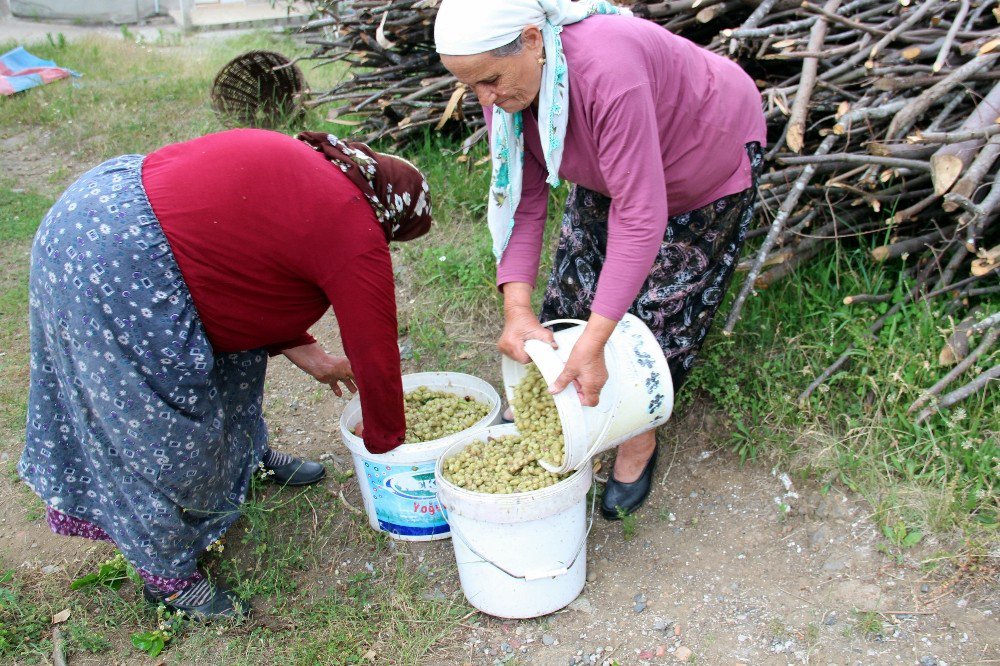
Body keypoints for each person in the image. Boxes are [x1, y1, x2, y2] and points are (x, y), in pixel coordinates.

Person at [19, 128, 432, 620]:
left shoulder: (333, 172)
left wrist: (309, 351)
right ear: (390, 215)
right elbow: (376, 352)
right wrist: (388, 441)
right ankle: (168, 578)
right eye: (392, 237)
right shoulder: (353, 226)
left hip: (109, 210)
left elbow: (244, 259)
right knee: (161, 429)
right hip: (114, 260)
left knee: (236, 365)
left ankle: (244, 463)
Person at [435, 0, 766, 520]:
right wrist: (517, 308)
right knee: (573, 292)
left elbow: (640, 214)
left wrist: (598, 340)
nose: (488, 100)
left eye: (490, 81)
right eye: (472, 86)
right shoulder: (505, 84)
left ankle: (636, 439)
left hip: (704, 151)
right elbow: (522, 198)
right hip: (616, 157)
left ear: (532, 39)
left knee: (656, 318)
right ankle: (573, 412)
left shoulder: (608, 72)